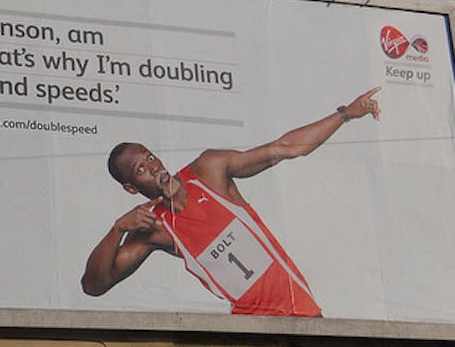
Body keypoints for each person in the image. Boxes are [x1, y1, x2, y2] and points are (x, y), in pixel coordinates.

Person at [82, 87, 381, 317]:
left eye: (150, 157)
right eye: (141, 170)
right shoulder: (155, 228)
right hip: (249, 328)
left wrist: (346, 114)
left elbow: (284, 148)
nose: (153, 167)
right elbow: (94, 285)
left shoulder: (208, 170)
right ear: (131, 188)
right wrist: (117, 229)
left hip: (300, 311)